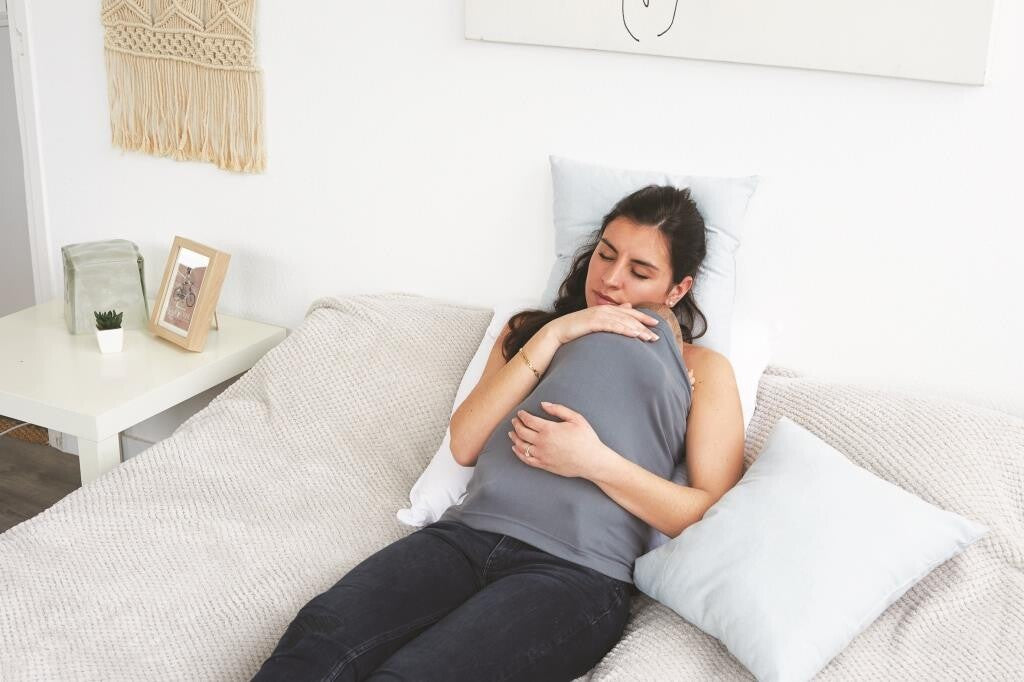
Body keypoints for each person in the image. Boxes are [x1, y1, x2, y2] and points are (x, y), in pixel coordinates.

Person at [251, 185, 745, 682]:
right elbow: (465, 443)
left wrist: (594, 462)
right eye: (605, 255)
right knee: (318, 639)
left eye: (639, 272)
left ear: (677, 289)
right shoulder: (532, 332)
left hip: (576, 574)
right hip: (464, 536)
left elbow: (708, 514)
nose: (611, 280)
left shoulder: (701, 369)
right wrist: (557, 332)